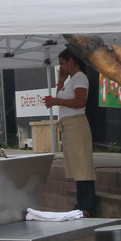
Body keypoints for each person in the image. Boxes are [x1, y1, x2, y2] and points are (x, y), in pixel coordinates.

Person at [43, 49, 95, 216]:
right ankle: (81, 203)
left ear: (71, 61)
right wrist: (60, 82)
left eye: (63, 63)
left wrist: (56, 101)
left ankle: (87, 205)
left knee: (83, 165)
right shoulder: (70, 80)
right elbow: (61, 98)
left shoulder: (80, 77)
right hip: (68, 125)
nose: (62, 67)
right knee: (77, 166)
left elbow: (80, 102)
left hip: (76, 124)